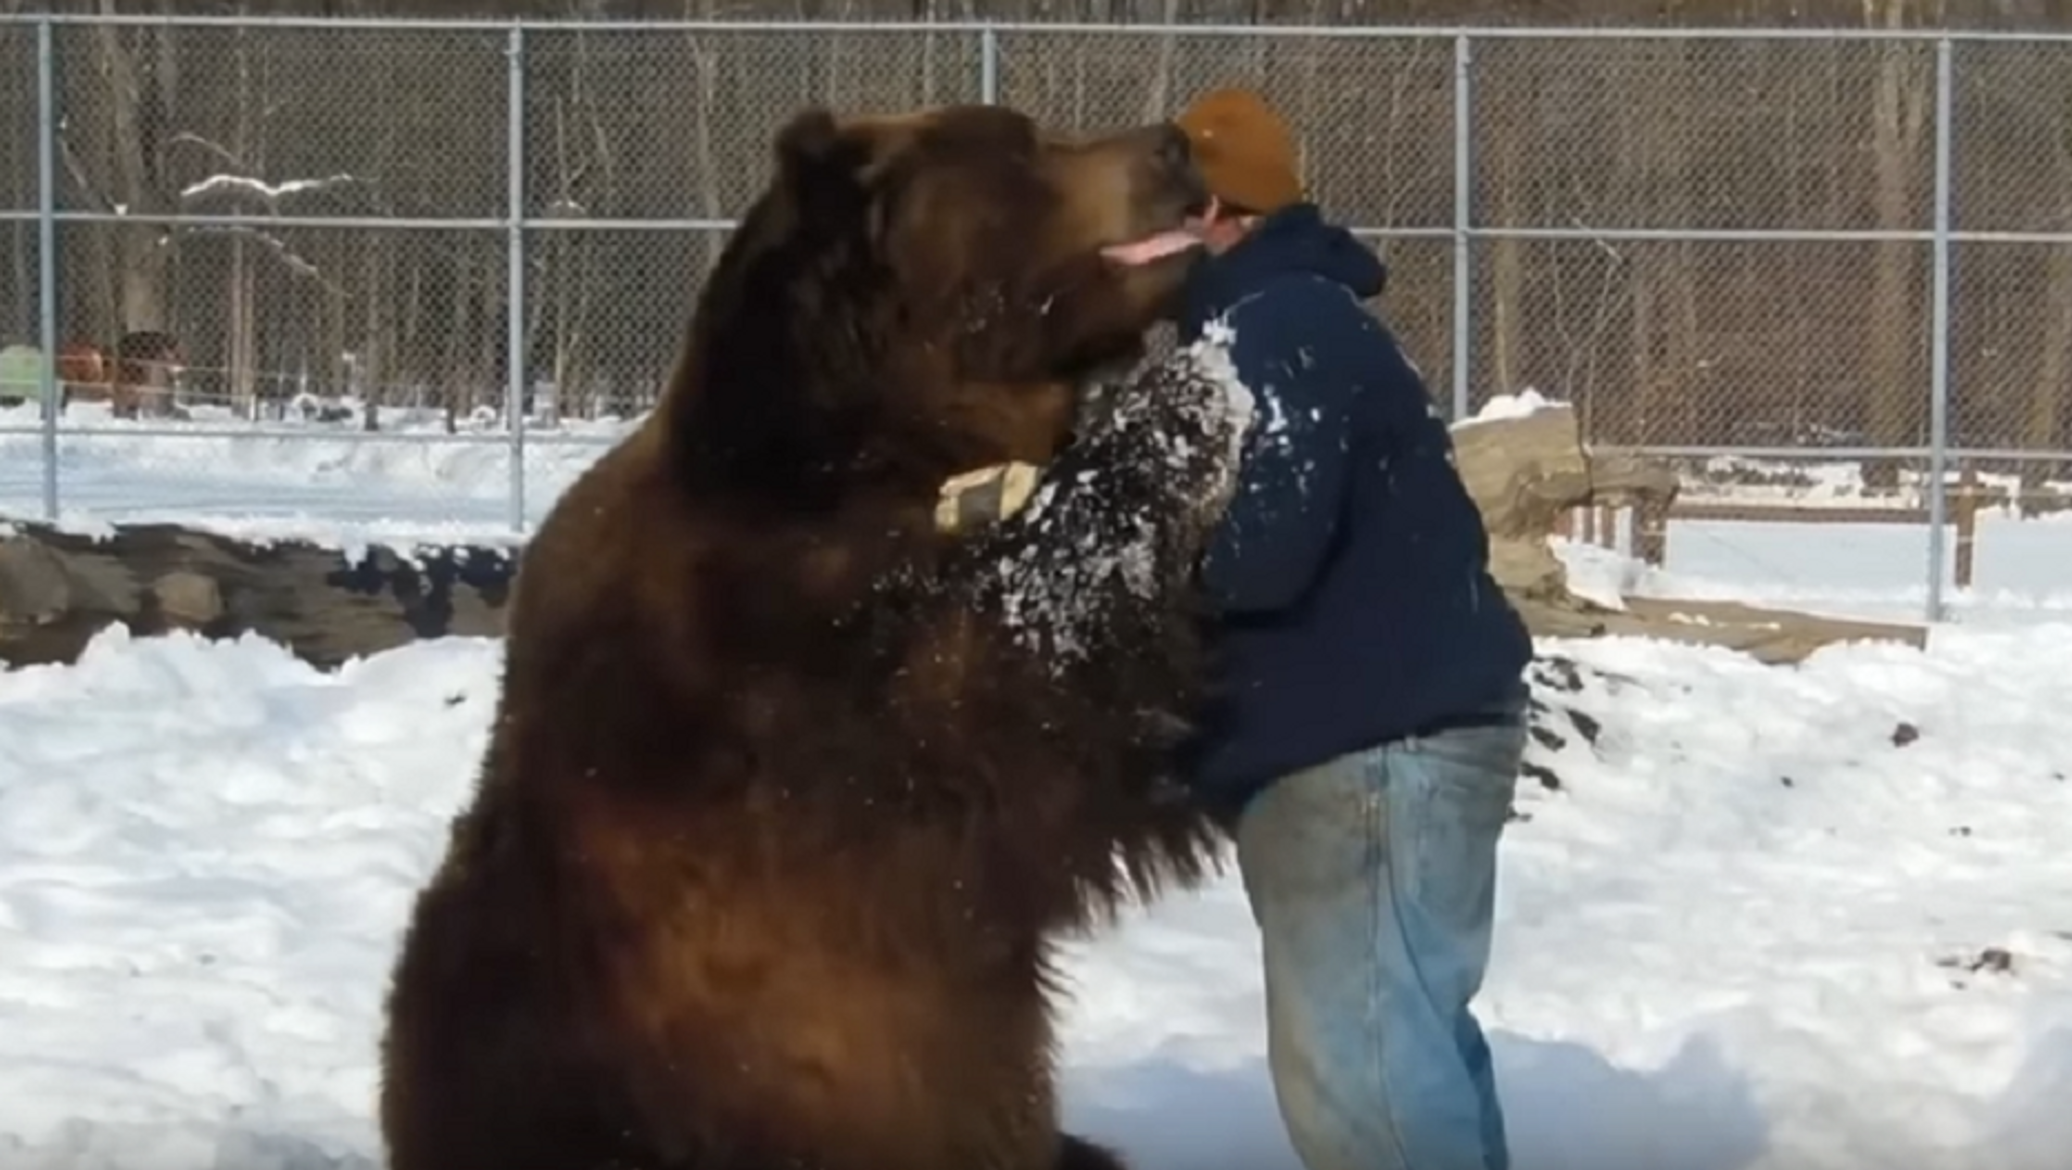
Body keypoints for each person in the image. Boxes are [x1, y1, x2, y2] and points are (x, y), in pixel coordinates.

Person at [1169, 88, 1537, 1170]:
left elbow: (1260, 550)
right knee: (1409, 1053)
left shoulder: (1276, 324)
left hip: (1372, 755)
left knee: (1367, 1083)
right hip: (1395, 741)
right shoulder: (1282, 317)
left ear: (1215, 214)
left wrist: (1133, 552)